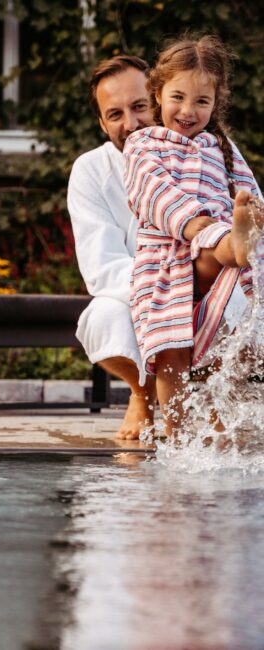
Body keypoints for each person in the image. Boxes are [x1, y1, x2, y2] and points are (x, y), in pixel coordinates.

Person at [123, 35, 263, 436]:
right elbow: (150, 191)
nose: (188, 111)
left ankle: (219, 430)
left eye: (201, 102)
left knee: (222, 352)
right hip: (166, 259)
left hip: (218, 257)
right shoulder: (143, 143)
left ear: (215, 104)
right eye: (178, 98)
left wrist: (252, 216)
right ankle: (179, 434)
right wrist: (193, 224)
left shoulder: (220, 147)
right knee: (171, 354)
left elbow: (247, 194)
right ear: (157, 94)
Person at [67, 55, 156, 440]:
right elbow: (102, 268)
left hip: (206, 286)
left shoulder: (203, 148)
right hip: (138, 294)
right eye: (115, 114)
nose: (131, 124)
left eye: (139, 106)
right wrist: (165, 290)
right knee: (101, 318)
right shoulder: (90, 170)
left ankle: (216, 407)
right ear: (103, 123)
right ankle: (143, 394)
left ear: (160, 99)